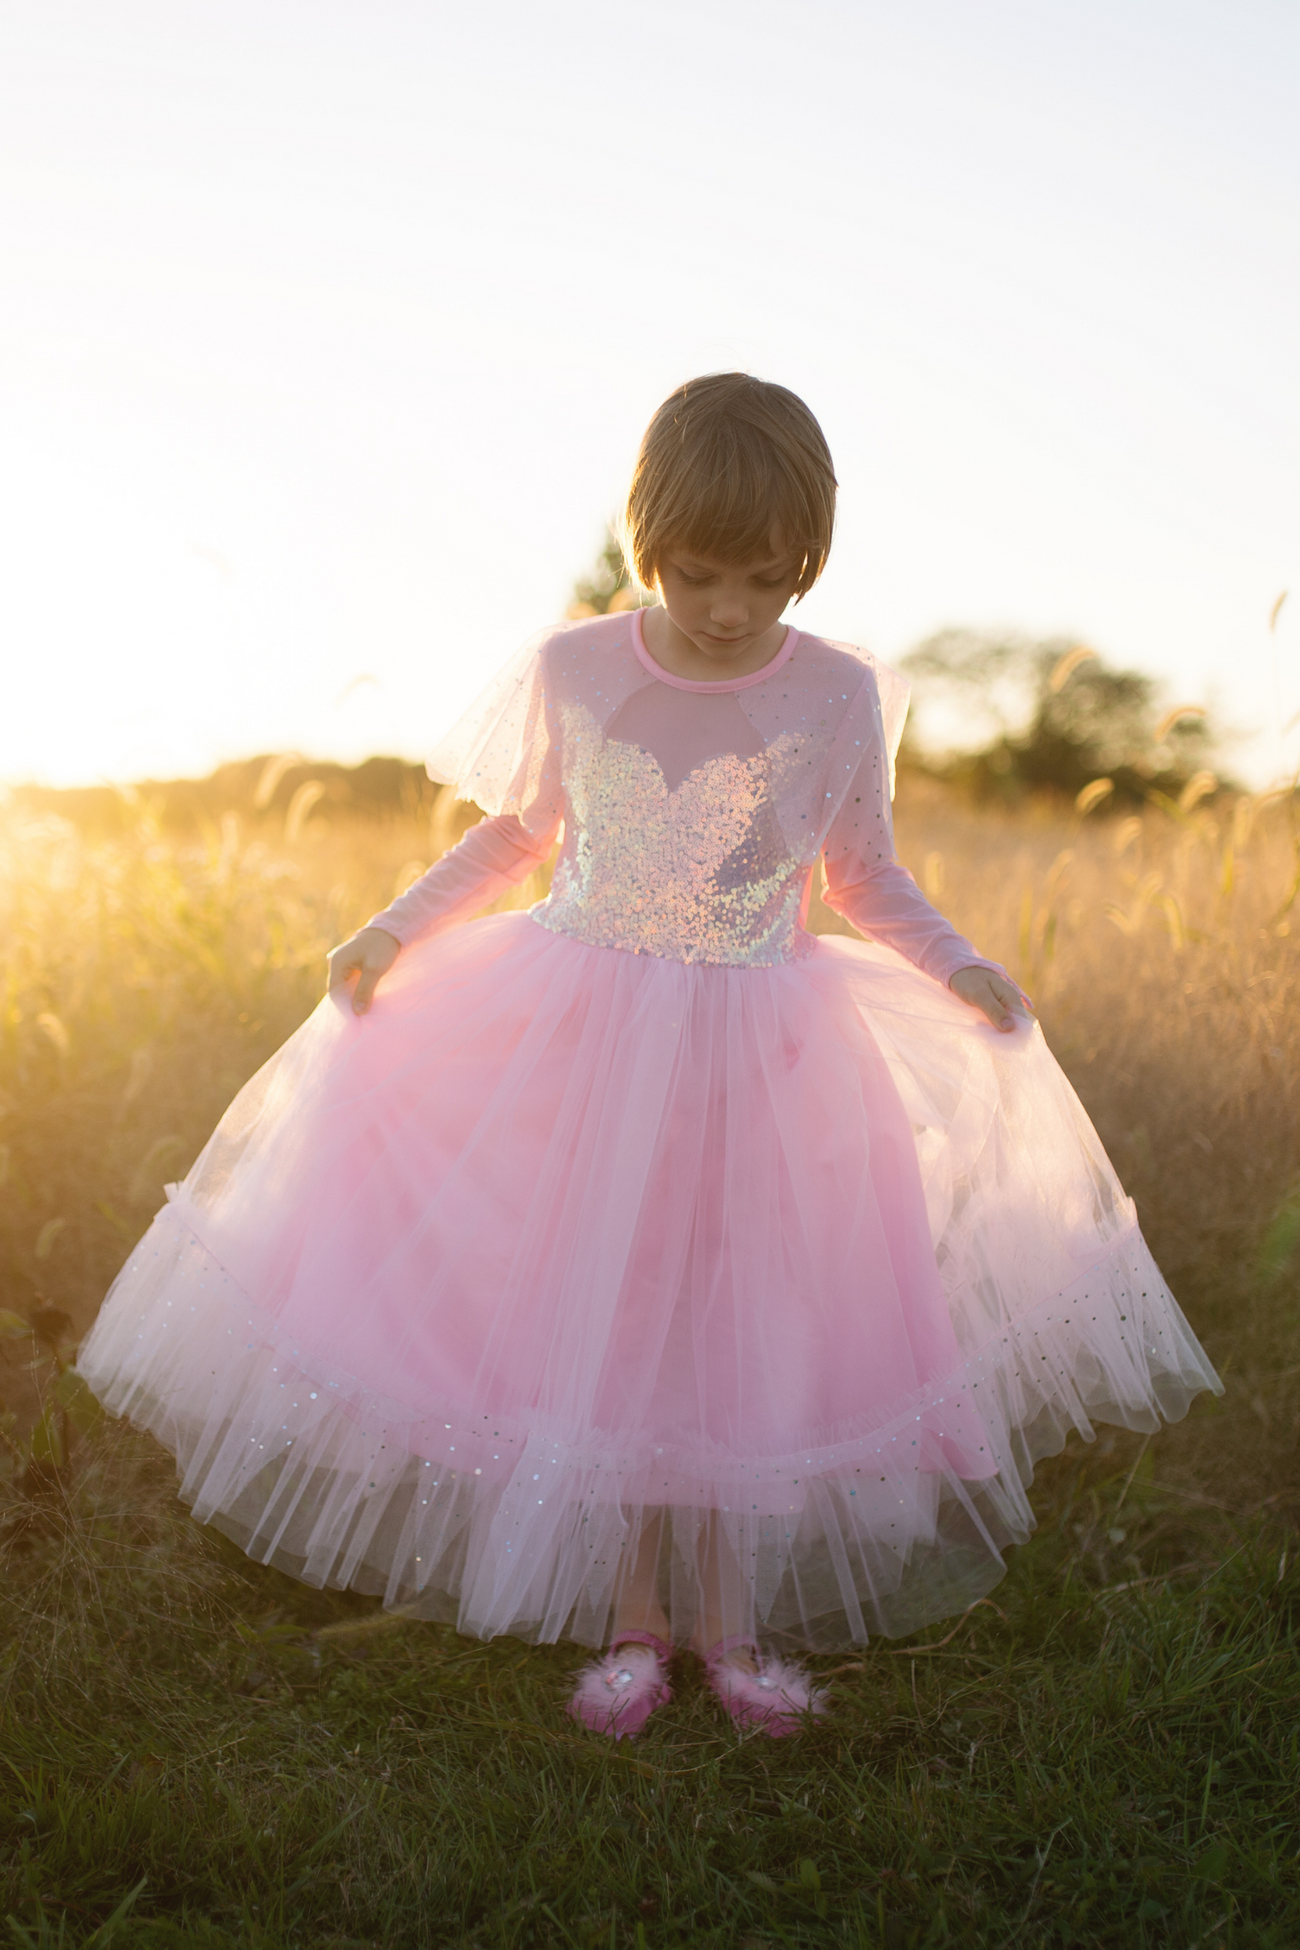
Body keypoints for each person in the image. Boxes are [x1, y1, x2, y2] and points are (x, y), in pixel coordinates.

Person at [79, 374, 1220, 1740]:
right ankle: (634, 1616)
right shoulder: (577, 668)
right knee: (612, 1303)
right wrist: (388, 927)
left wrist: (960, 963)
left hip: (763, 1045)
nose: (731, 607)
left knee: (740, 1312)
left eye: (767, 578)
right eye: (699, 572)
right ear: (645, 537)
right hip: (583, 1033)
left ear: (807, 563)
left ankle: (733, 1625)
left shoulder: (840, 695)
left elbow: (863, 874)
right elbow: (516, 834)